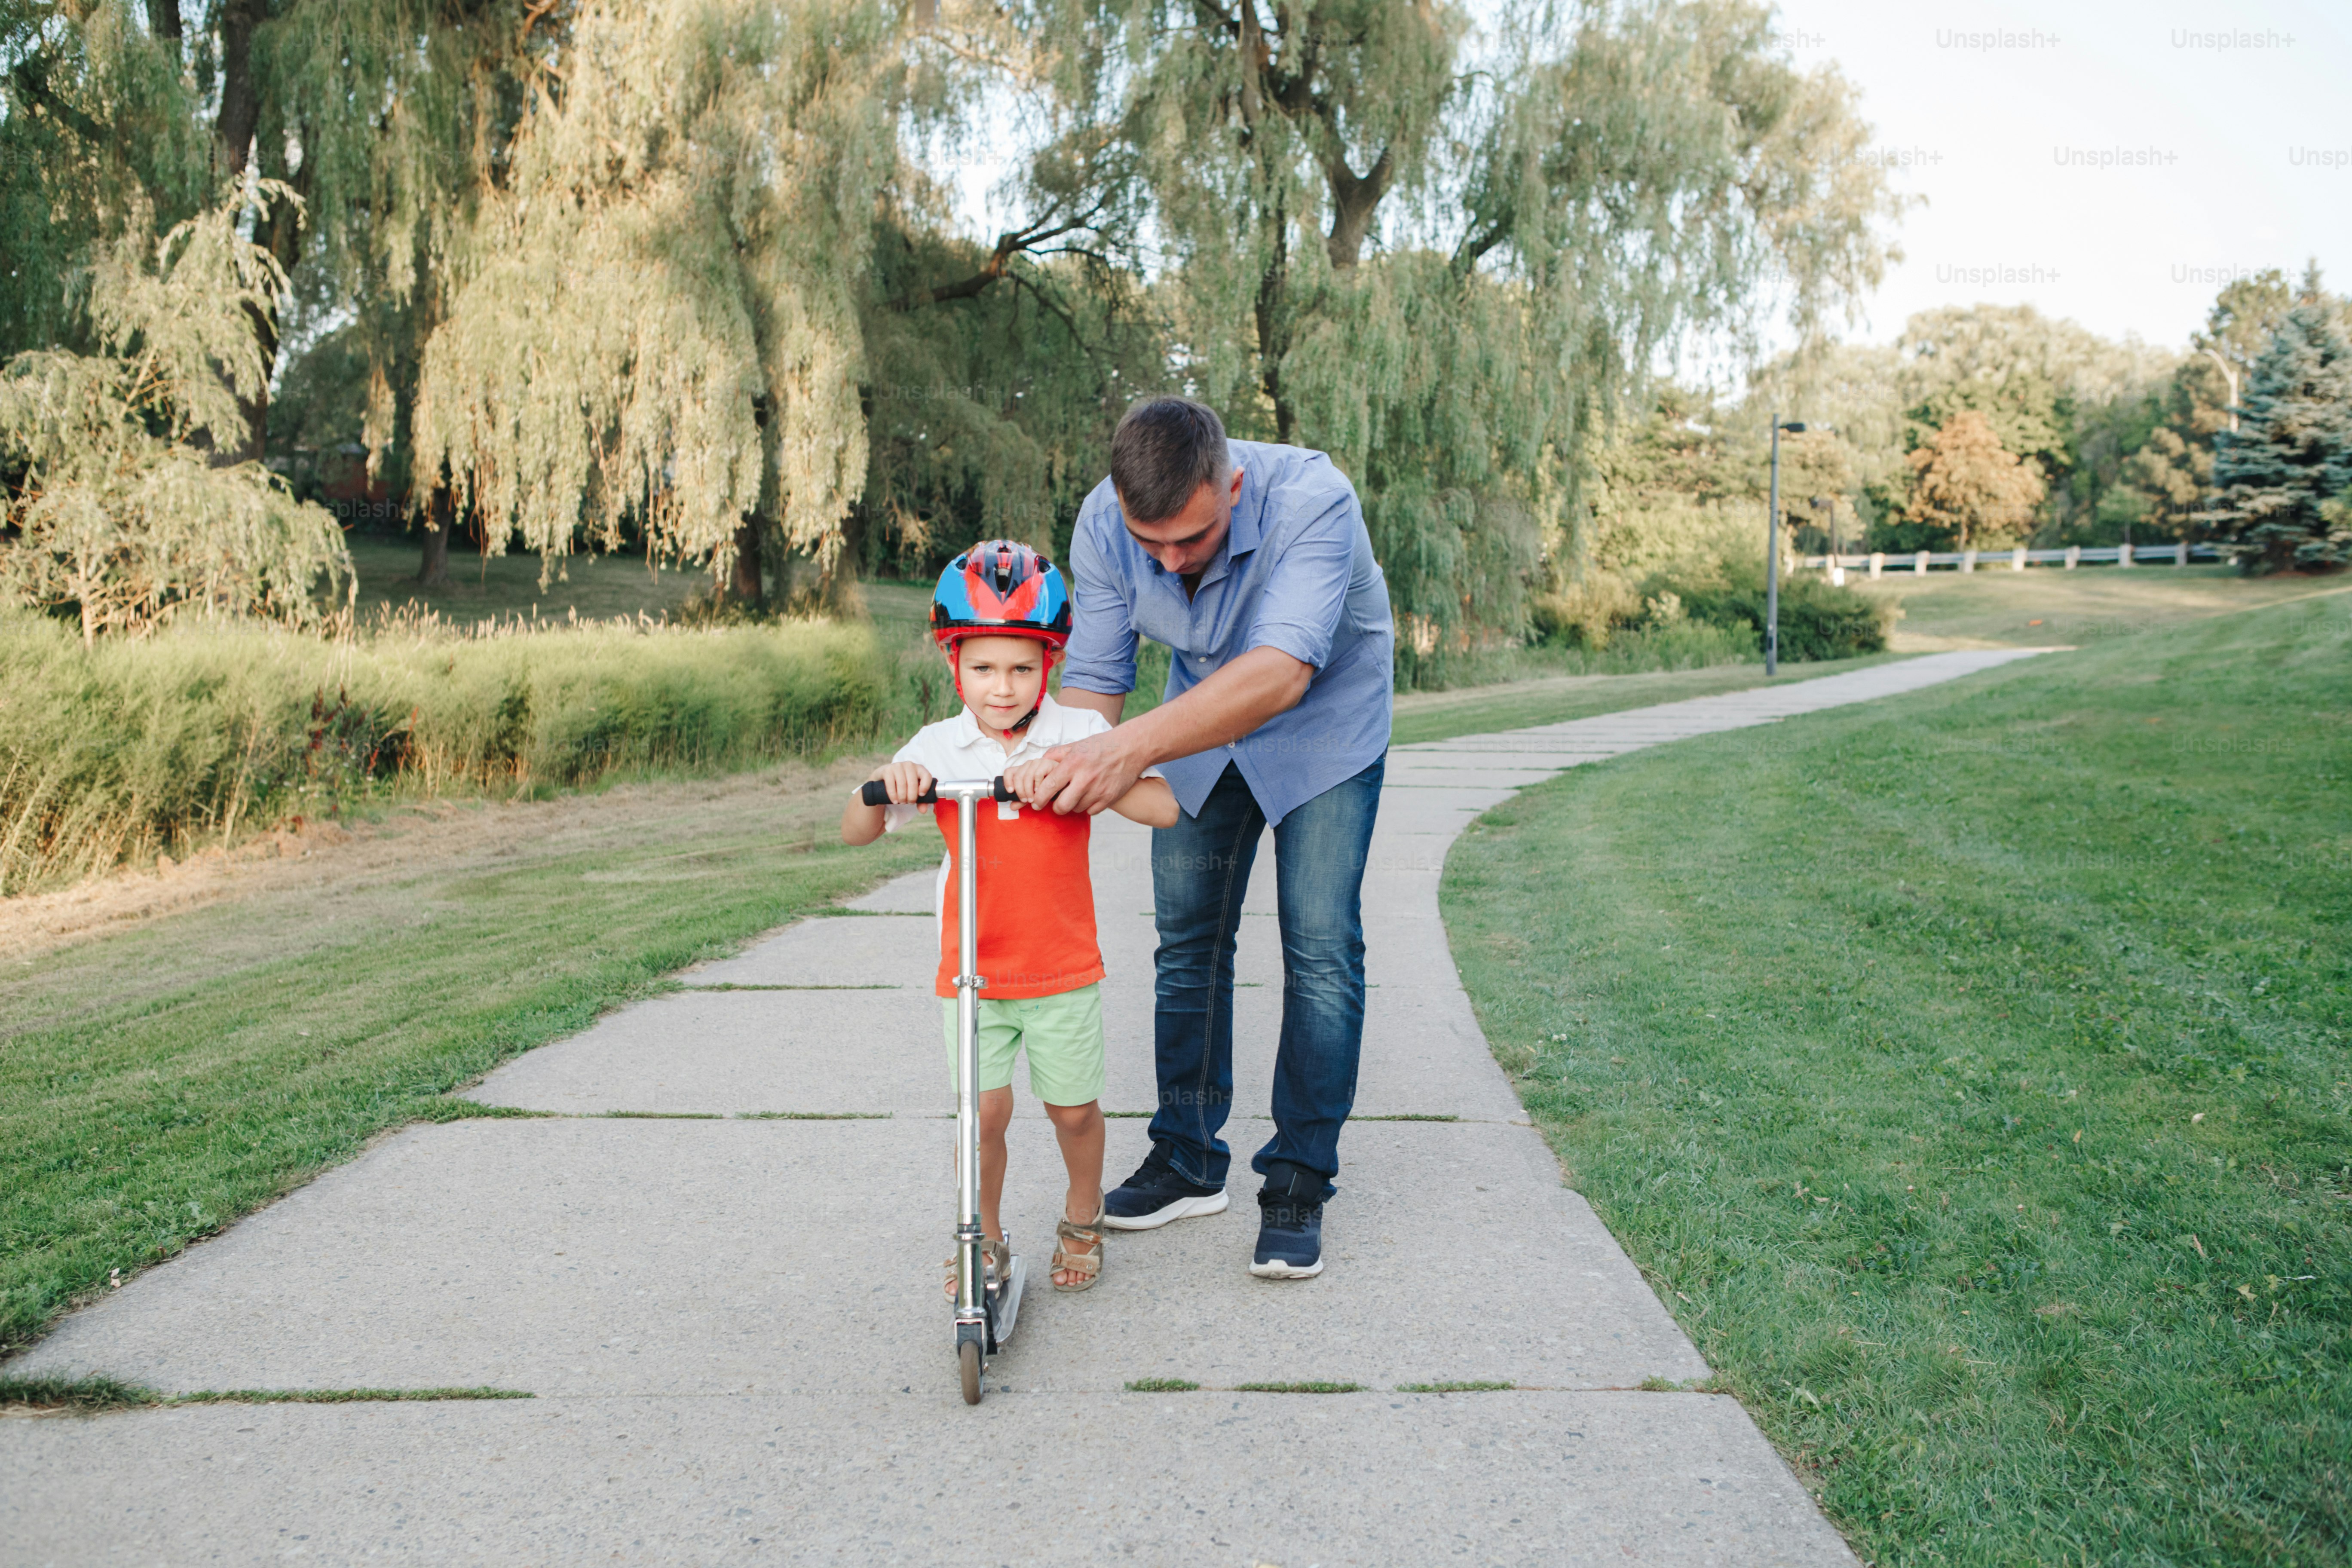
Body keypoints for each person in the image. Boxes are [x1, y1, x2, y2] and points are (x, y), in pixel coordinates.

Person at [1008, 398, 1393, 1281]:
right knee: (1187, 942)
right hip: (1199, 729)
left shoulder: (1314, 501)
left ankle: (1299, 1177)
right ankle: (1186, 1158)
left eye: (1193, 538)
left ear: (1234, 485)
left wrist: (1128, 749)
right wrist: (1053, 768)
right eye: (1155, 546)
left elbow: (1282, 672)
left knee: (1321, 942)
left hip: (1325, 726)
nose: (1173, 562)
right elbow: (1100, 683)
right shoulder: (1109, 524)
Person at [841, 539, 1178, 1295]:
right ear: (953, 662)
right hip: (972, 974)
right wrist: (887, 782)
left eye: (1023, 668)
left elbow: (1163, 808)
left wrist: (1075, 775)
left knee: (1072, 1111)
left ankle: (1083, 1211)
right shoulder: (938, 747)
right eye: (984, 668)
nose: (1002, 688)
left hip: (1060, 970)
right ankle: (982, 1237)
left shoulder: (1081, 734)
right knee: (981, 1116)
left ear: (1050, 665)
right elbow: (854, 828)